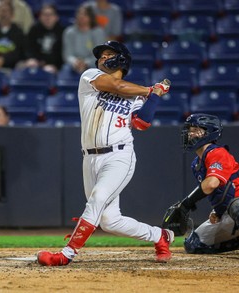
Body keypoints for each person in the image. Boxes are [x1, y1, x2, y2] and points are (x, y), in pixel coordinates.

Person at [37, 40, 173, 266]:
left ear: (121, 59)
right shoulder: (90, 76)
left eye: (108, 54)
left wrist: (154, 97)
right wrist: (152, 90)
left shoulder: (136, 96)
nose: (102, 58)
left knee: (97, 198)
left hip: (119, 155)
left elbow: (141, 123)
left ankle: (66, 254)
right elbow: (117, 86)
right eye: (101, 55)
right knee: (110, 221)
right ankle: (160, 236)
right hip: (89, 157)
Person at [163, 113, 239, 258]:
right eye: (189, 130)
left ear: (209, 132)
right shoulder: (196, 163)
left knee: (237, 203)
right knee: (193, 244)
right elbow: (220, 191)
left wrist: (186, 204)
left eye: (196, 129)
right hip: (231, 209)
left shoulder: (217, 152)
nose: (190, 133)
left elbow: (211, 184)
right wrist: (218, 211)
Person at [61, 4, 106, 74]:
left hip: (93, 64)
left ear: (91, 17)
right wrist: (75, 62)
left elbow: (99, 55)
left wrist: (86, 62)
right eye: (79, 14)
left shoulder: (98, 32)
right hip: (73, 65)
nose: (81, 16)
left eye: (85, 14)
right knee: (65, 69)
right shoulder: (69, 32)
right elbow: (67, 54)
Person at [26, 4, 65, 73]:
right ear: (40, 17)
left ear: (56, 17)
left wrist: (54, 65)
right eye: (44, 15)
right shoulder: (34, 29)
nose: (47, 18)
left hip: (55, 65)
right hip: (36, 62)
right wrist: (33, 60)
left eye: (50, 15)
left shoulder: (62, 31)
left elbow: (61, 53)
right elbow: (28, 48)